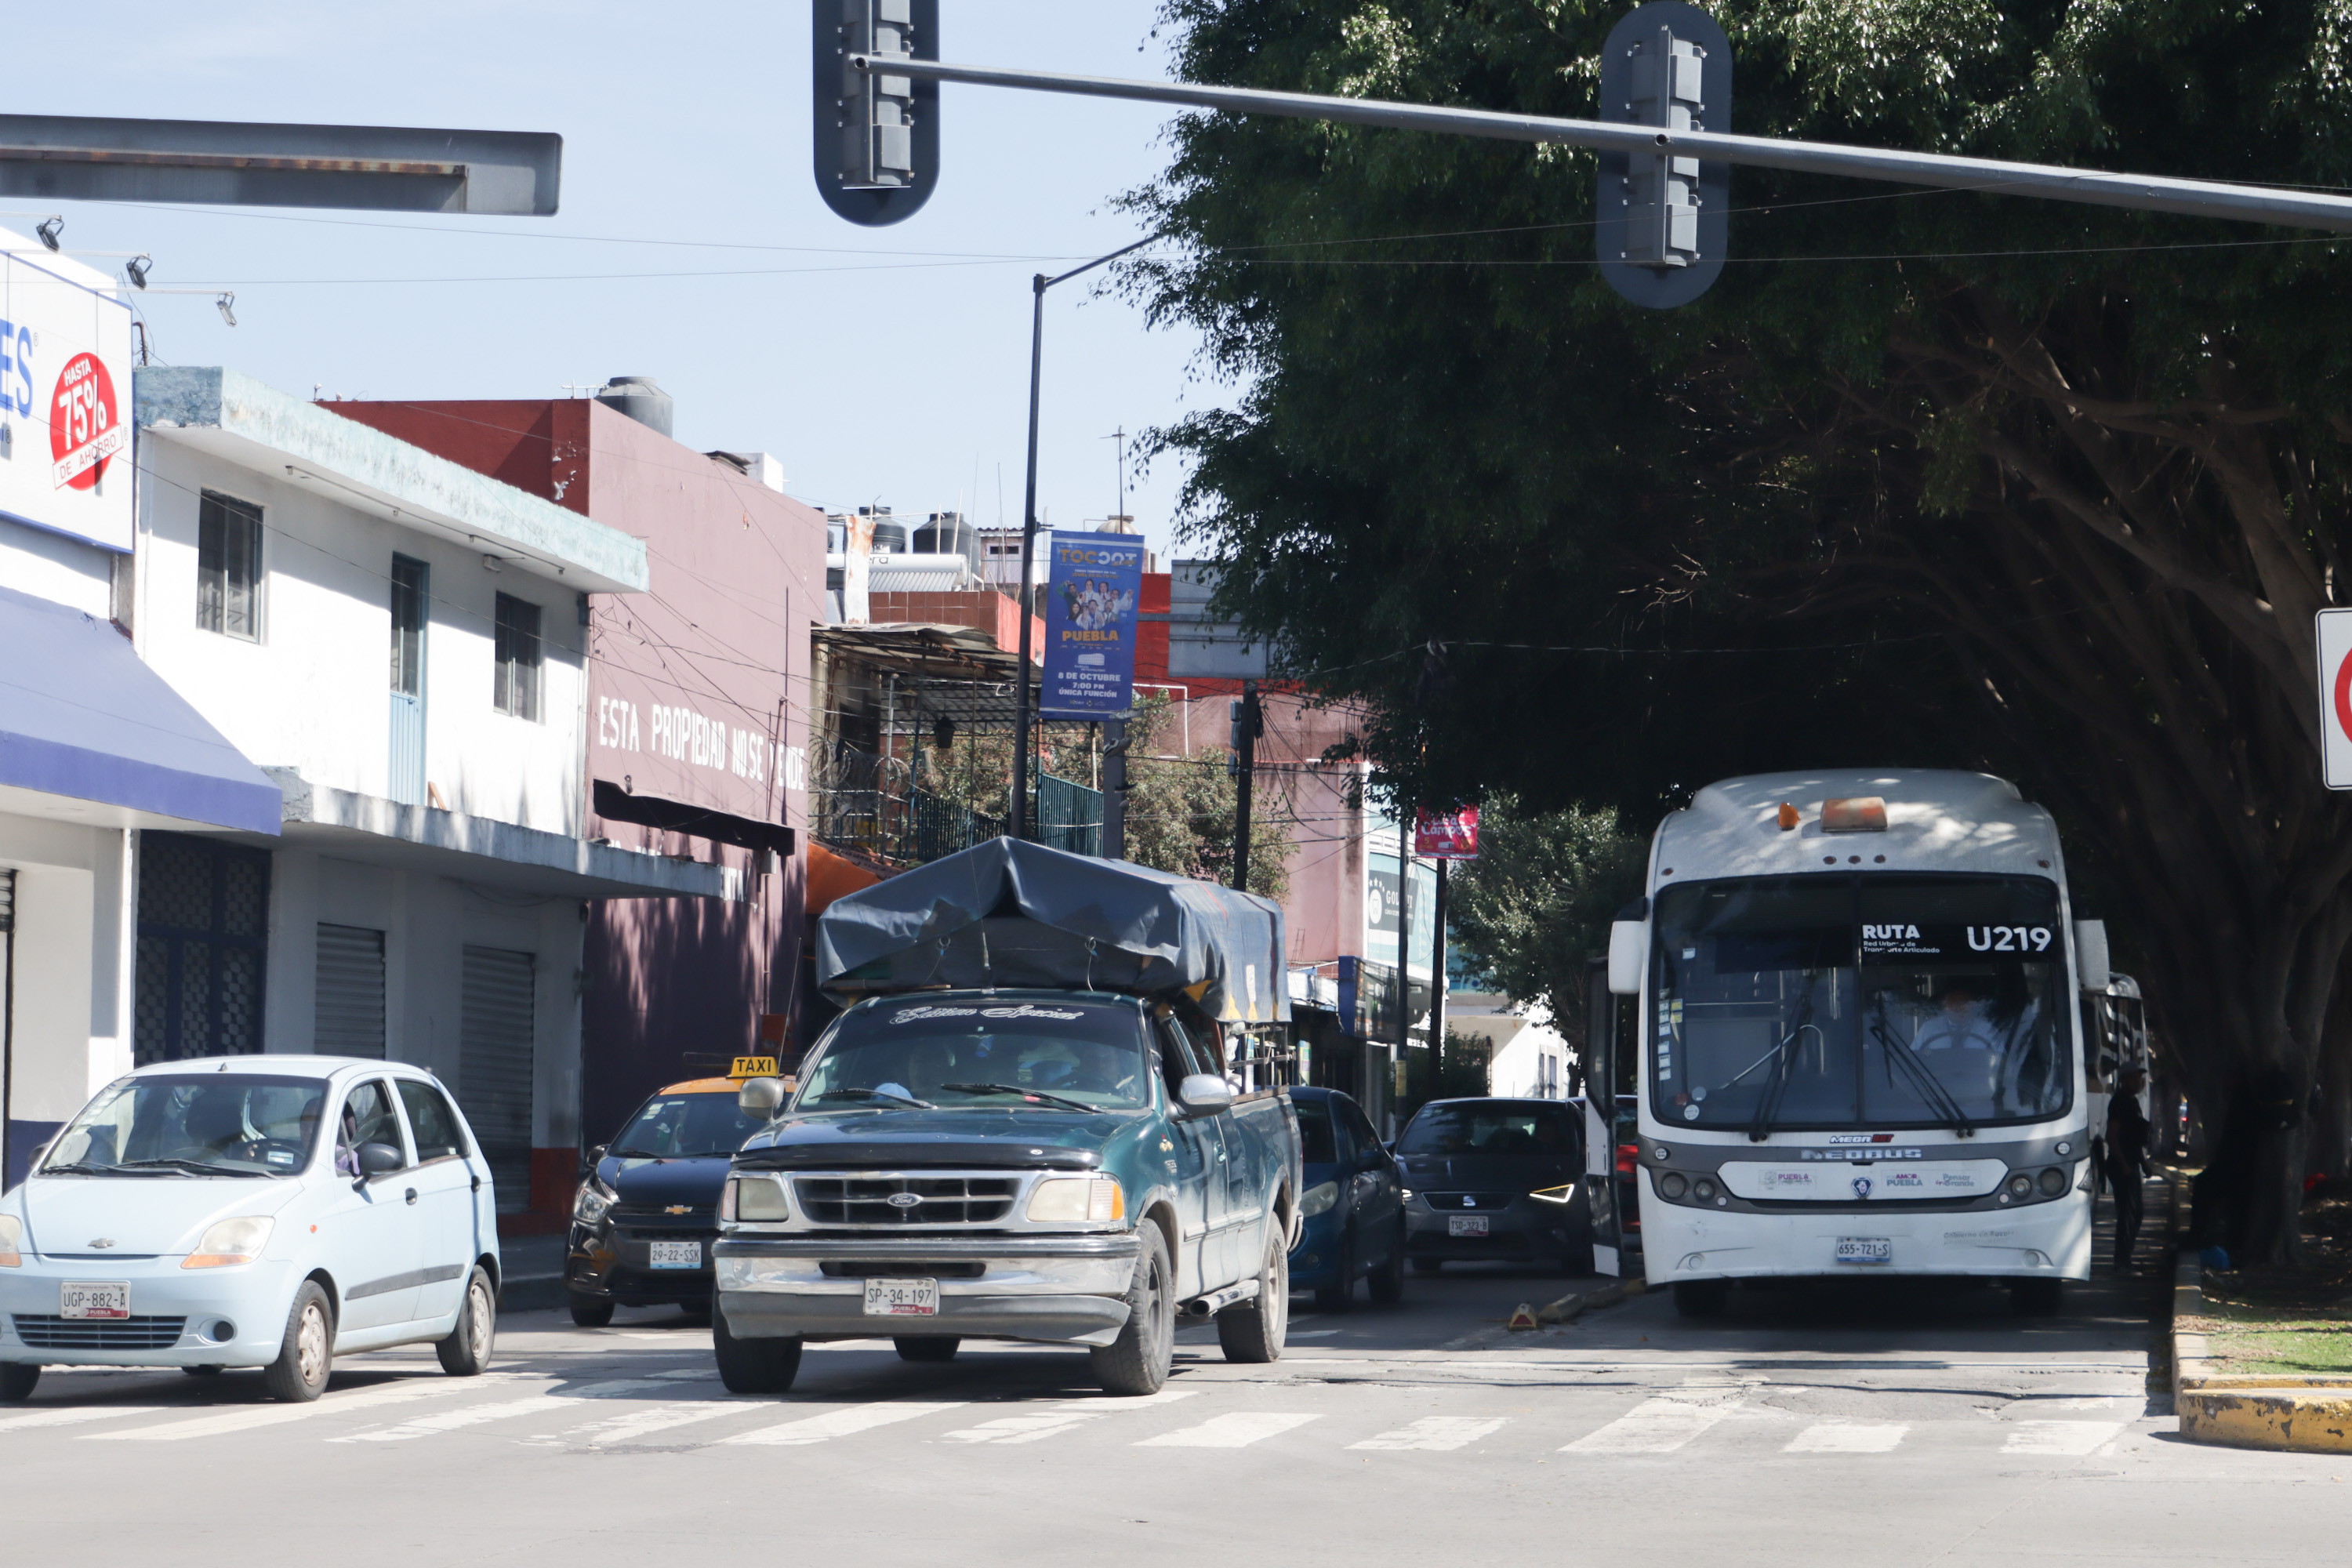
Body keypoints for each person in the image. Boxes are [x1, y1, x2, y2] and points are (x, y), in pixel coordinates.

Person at [2107, 1066, 2151, 1275]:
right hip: (2121, 1166)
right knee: (2127, 1214)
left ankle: (2126, 1259)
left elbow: (2135, 1139)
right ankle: (2121, 1263)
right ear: (2124, 1080)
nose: (2139, 1082)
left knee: (2136, 1213)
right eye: (2134, 1078)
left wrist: (2143, 1163)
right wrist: (2124, 1164)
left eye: (2140, 1078)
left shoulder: (2133, 1102)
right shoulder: (2120, 1102)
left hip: (2131, 1164)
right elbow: (2112, 1136)